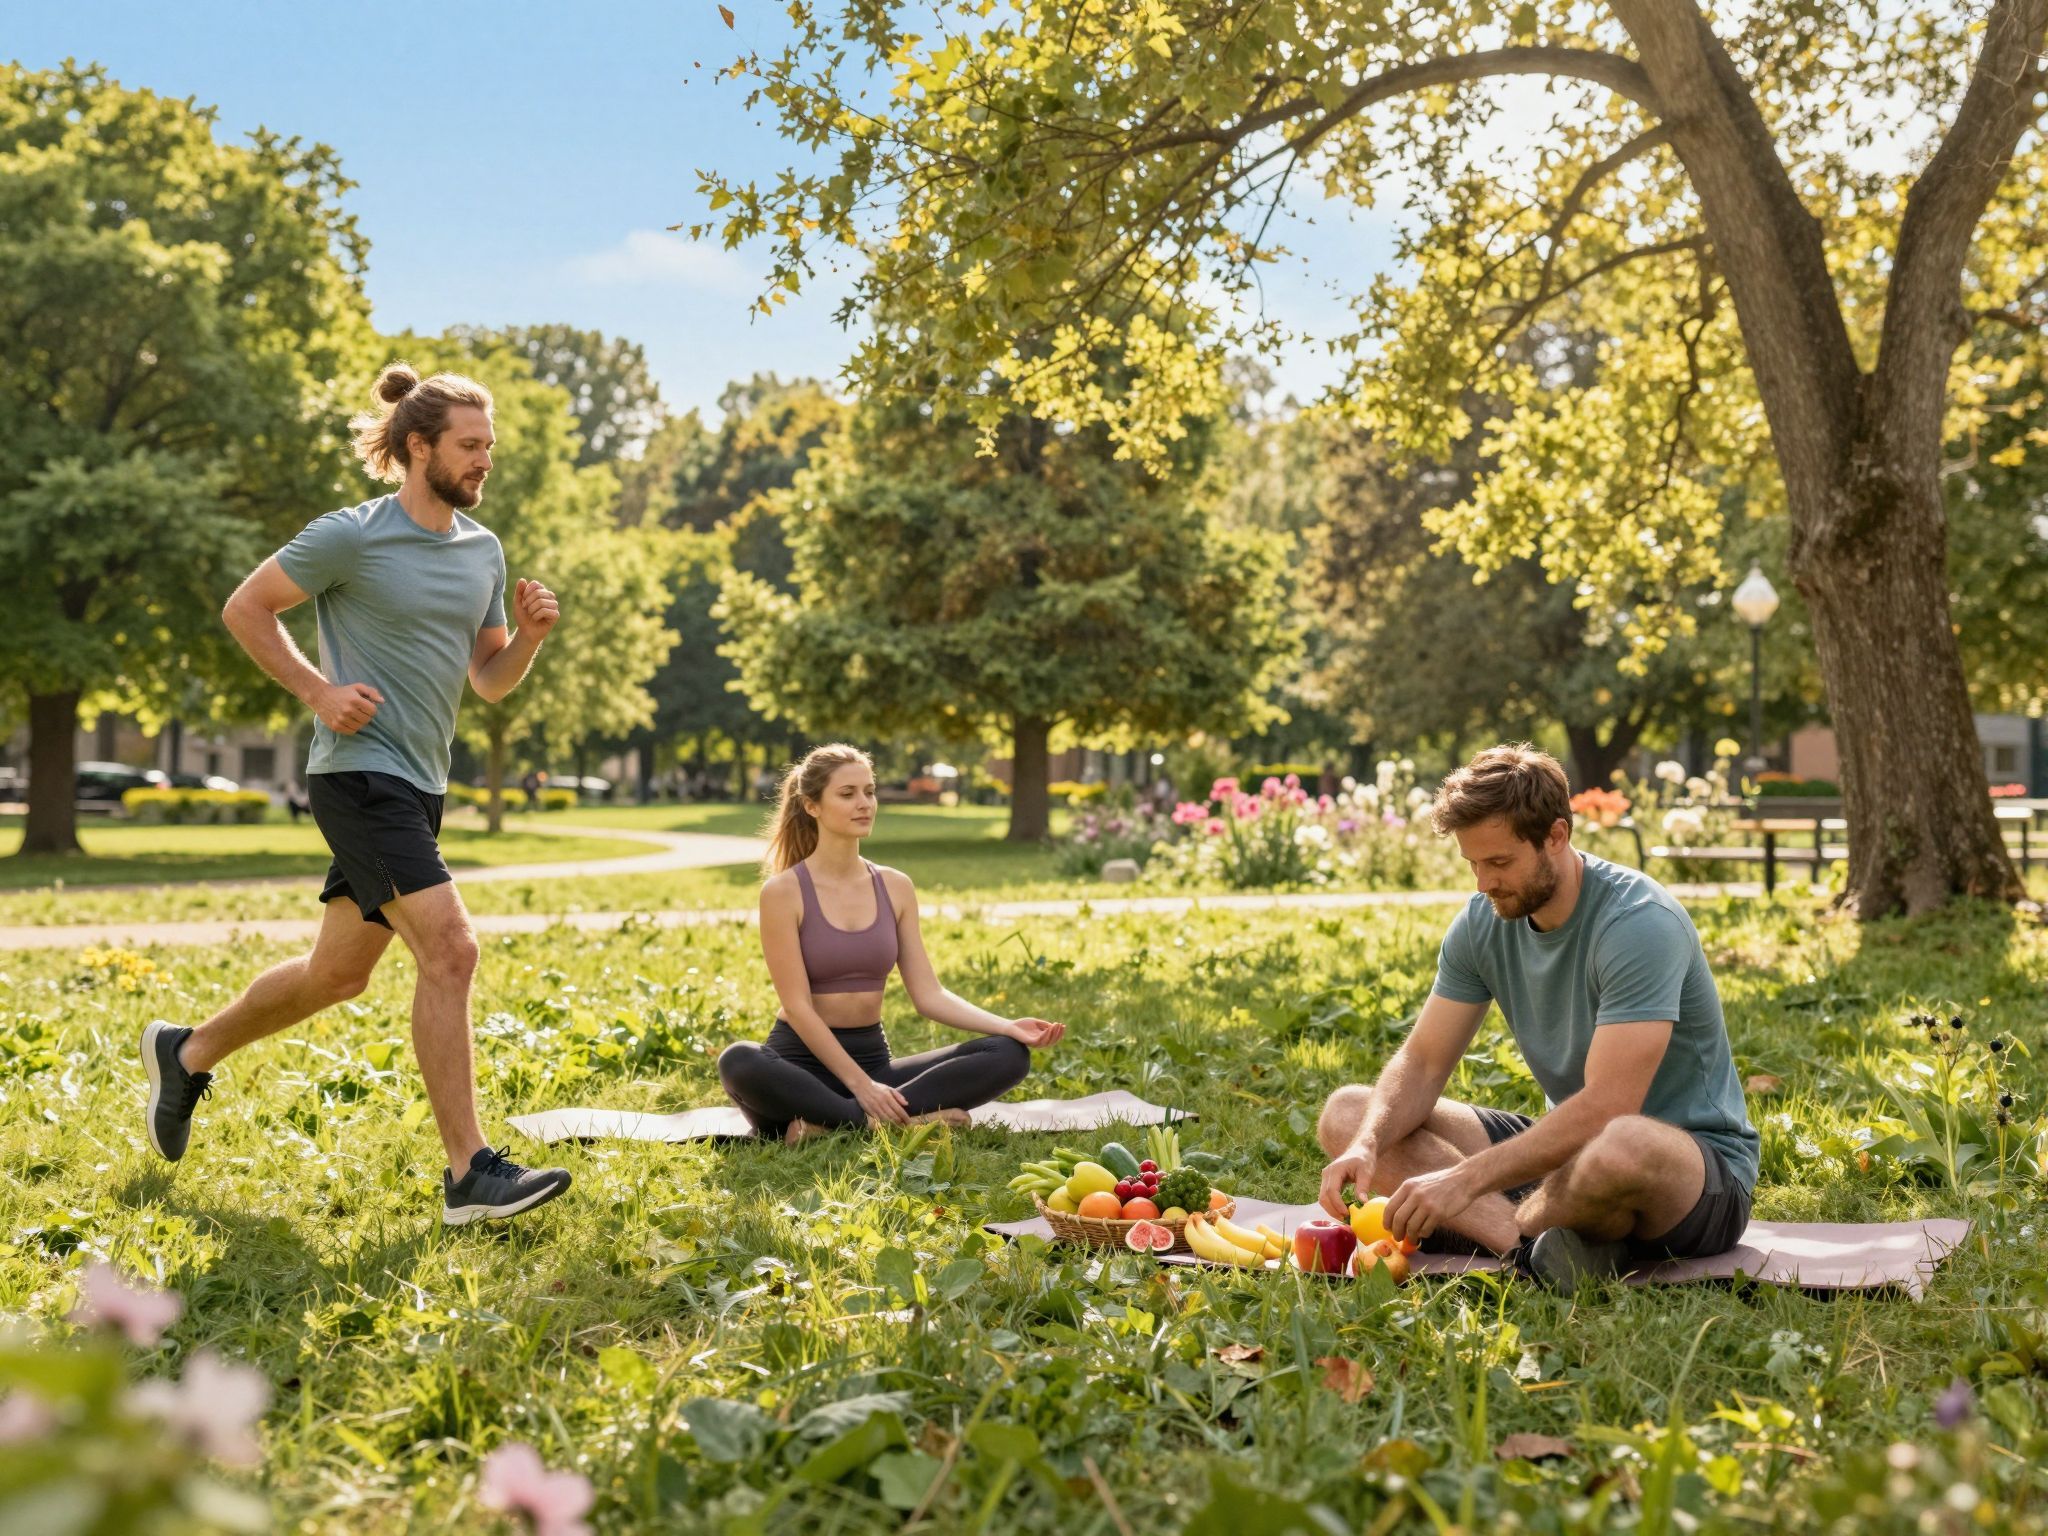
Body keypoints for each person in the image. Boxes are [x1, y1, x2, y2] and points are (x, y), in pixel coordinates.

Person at [140, 363, 574, 1227]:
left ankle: (187, 1053)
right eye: (469, 446)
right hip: (357, 772)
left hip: (420, 783)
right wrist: (316, 692)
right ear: (420, 446)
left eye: (489, 447)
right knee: (451, 950)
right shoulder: (352, 535)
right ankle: (469, 1175)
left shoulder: (482, 551)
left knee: (337, 975)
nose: (485, 461)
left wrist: (527, 639)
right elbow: (247, 607)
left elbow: (487, 682)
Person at [1314, 744, 1759, 1294]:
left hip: (1691, 1172)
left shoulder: (1639, 923)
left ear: (1557, 835)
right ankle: (1533, 1253)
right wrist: (1367, 1144)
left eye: (1499, 862)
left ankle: (1521, 1232)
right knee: (1350, 1113)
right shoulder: (1482, 922)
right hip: (1568, 1158)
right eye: (1473, 863)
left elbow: (1608, 1104)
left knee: (1624, 1141)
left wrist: (1464, 1181)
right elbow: (1424, 1061)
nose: (1483, 882)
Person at [718, 743, 1067, 1143]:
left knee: (1007, 1054)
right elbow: (797, 1007)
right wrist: (863, 1089)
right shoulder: (783, 892)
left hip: (874, 1064)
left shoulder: (895, 886)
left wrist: (1008, 1026)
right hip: (799, 1070)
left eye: (869, 791)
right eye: (847, 794)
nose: (864, 803)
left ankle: (828, 1127)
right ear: (812, 805)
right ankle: (889, 1121)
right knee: (739, 1059)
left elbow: (929, 994)